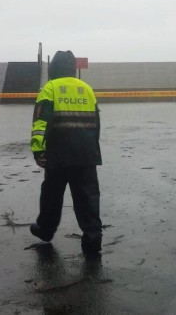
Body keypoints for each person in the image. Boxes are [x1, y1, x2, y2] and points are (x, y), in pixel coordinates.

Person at [30, 50, 103, 257]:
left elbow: (40, 123)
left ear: (53, 68)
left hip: (58, 154)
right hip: (86, 154)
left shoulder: (50, 88)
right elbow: (96, 124)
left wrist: (38, 150)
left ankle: (45, 230)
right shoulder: (86, 89)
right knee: (88, 198)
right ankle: (93, 238)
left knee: (51, 195)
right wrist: (92, 148)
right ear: (72, 68)